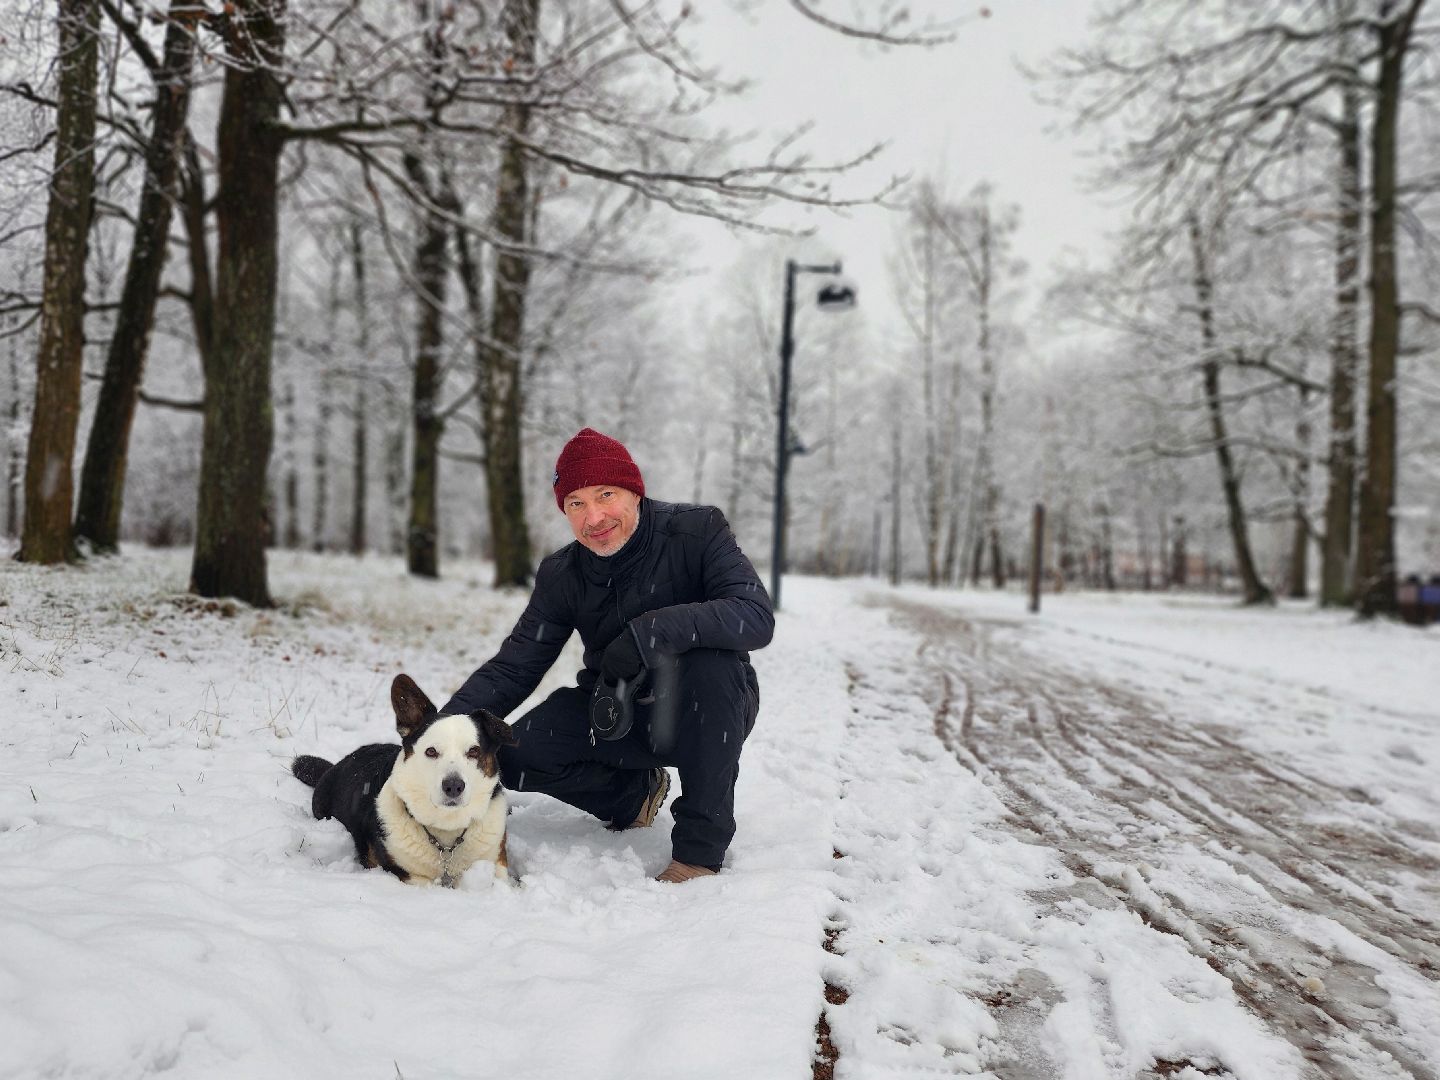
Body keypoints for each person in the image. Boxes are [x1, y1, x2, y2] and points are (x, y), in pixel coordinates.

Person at [441, 427, 774, 883]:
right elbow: (516, 664)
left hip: (705, 707)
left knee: (712, 666)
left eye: (606, 495)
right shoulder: (562, 574)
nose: (594, 517)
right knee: (515, 755)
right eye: (576, 503)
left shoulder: (697, 531)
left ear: (634, 491)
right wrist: (438, 734)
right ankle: (633, 797)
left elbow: (753, 616)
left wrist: (648, 633)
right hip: (614, 708)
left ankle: (699, 853)